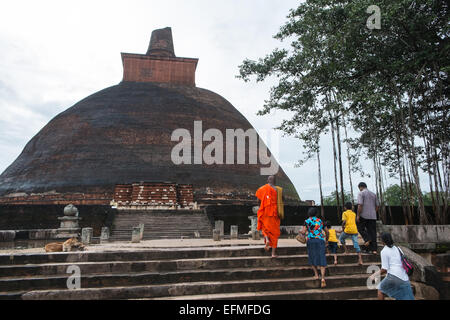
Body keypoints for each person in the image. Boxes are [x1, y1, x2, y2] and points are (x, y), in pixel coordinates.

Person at [369, 232, 415, 300]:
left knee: (380, 290)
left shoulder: (384, 251)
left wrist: (373, 275)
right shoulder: (398, 248)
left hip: (393, 276)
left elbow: (384, 269)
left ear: (383, 241)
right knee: (403, 296)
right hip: (404, 276)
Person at [300, 207, 329, 288]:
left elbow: (303, 232)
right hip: (320, 240)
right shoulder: (320, 221)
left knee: (312, 257)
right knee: (322, 258)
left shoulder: (306, 221)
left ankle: (316, 275)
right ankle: (323, 278)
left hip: (311, 241)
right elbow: (327, 231)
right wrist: (327, 239)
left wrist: (301, 232)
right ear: (316, 213)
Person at [255, 175, 282, 258]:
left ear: (268, 180)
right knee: (275, 233)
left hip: (266, 211)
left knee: (264, 227)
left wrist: (263, 205)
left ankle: (266, 239)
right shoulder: (278, 190)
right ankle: (273, 253)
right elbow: (281, 201)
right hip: (275, 213)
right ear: (275, 181)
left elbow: (258, 200)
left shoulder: (263, 188)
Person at [356, 182, 379, 254]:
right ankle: (374, 250)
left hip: (363, 215)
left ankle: (368, 239)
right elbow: (377, 206)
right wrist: (373, 212)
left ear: (360, 187)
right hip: (373, 216)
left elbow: (360, 205)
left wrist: (358, 215)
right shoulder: (373, 194)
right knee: (372, 232)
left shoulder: (361, 193)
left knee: (360, 228)